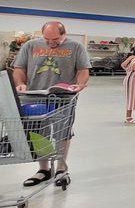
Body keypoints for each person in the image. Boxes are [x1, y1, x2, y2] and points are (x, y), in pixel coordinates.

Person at [12, 21, 90, 187]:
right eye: (47, 39)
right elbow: (19, 68)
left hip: (63, 98)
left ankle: (61, 168)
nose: (51, 43)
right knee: (39, 133)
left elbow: (83, 70)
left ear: (64, 34)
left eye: (55, 39)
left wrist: (80, 84)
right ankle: (44, 169)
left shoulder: (76, 47)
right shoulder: (30, 46)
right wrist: (20, 83)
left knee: (63, 133)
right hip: (34, 97)